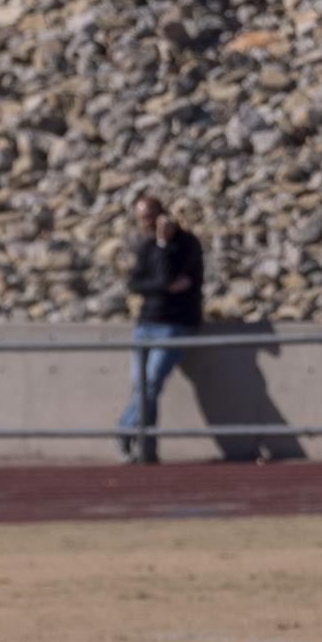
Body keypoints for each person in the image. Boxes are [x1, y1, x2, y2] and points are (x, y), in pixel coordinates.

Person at [117, 194, 204, 464]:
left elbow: (169, 279)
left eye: (149, 217)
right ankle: (146, 449)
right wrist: (161, 286)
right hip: (146, 324)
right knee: (141, 387)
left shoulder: (185, 244)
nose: (146, 223)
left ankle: (123, 430)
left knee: (151, 383)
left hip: (174, 325)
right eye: (141, 218)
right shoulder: (147, 247)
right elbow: (136, 285)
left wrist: (164, 245)